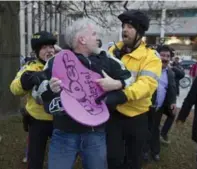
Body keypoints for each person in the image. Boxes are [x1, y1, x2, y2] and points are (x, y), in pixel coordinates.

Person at [35, 18, 133, 169]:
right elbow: (37, 95)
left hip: (96, 134)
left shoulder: (107, 60)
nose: (97, 38)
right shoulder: (55, 62)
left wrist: (116, 84)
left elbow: (130, 78)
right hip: (63, 134)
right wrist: (49, 89)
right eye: (93, 34)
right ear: (82, 39)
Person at [97, 10, 162, 169]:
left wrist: (122, 94)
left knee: (133, 160)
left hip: (136, 117)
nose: (124, 30)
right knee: (112, 158)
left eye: (130, 27)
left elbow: (146, 85)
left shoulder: (151, 57)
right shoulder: (112, 52)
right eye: (123, 26)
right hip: (113, 115)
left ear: (140, 32)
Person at [10, 31, 56, 169]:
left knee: (60, 159)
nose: (49, 51)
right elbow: (14, 88)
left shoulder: (61, 64)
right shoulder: (30, 67)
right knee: (35, 159)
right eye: (44, 48)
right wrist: (26, 80)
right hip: (37, 122)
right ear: (37, 51)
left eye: (51, 47)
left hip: (60, 121)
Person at [145, 45, 177, 162]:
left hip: (159, 107)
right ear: (156, 56)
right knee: (144, 129)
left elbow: (172, 88)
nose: (165, 58)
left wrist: (173, 102)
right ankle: (144, 151)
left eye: (167, 56)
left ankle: (155, 151)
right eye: (162, 55)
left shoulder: (170, 73)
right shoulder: (148, 69)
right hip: (145, 107)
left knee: (155, 129)